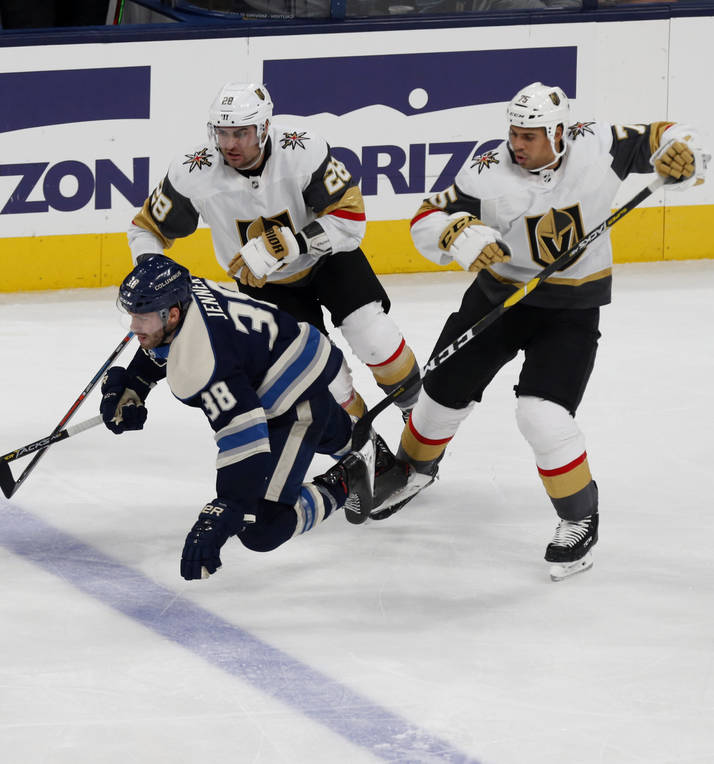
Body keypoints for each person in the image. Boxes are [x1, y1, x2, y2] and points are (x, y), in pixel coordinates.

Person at [362, 81, 708, 580]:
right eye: (514, 133)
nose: (516, 144)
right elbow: (427, 215)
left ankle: (578, 518)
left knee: (541, 417)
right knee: (438, 397)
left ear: (559, 132)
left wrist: (687, 153)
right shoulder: (486, 171)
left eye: (529, 135)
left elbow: (665, 136)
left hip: (570, 308)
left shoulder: (598, 146)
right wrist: (458, 235)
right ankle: (413, 469)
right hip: (498, 299)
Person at [128, 82, 420, 423]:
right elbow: (145, 228)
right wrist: (151, 269)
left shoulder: (302, 148)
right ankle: (365, 446)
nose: (230, 144)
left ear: (264, 128)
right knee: (325, 380)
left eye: (241, 133)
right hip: (264, 285)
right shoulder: (193, 171)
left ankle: (419, 418)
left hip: (327, 260)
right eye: (222, 133)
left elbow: (350, 218)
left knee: (374, 336)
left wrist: (293, 243)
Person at [99, 255, 370, 581]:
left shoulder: (202, 364)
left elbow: (246, 442)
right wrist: (135, 384)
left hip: (293, 397)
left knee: (262, 528)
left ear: (171, 314)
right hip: (296, 353)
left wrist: (224, 511)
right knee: (337, 436)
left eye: (141, 318)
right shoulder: (186, 294)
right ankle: (365, 449)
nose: (133, 327)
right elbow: (165, 347)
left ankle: (349, 478)